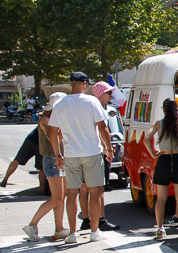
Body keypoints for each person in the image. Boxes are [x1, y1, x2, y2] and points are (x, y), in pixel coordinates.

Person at [48, 71, 113, 243]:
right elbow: (102, 127)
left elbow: (52, 132)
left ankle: (72, 233)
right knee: (94, 191)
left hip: (70, 154)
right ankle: (94, 231)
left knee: (71, 193)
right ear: (84, 83)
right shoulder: (91, 101)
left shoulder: (60, 104)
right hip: (91, 152)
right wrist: (109, 148)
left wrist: (57, 154)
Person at [144, 98, 178, 239]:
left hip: (163, 159)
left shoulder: (158, 124)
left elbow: (146, 139)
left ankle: (159, 229)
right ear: (177, 110)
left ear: (164, 110)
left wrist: (154, 154)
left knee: (161, 198)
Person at [21, 103, 68, 241]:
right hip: (53, 159)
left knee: (61, 197)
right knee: (57, 197)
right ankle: (32, 225)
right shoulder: (45, 120)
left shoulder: (54, 119)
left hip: (60, 160)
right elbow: (54, 138)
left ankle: (59, 228)